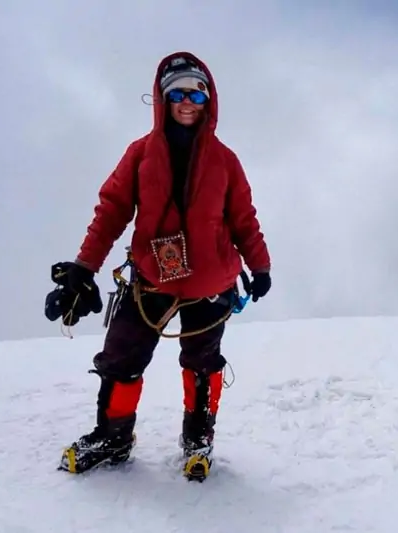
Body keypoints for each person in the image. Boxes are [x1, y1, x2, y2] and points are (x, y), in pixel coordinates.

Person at [44, 51, 272, 481]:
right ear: (163, 99)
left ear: (209, 101)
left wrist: (259, 265)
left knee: (203, 366)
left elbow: (244, 217)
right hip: (150, 279)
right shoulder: (140, 154)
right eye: (178, 93)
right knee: (121, 358)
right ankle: (113, 439)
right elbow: (112, 210)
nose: (188, 102)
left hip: (210, 285)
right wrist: (84, 265)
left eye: (197, 94)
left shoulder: (226, 161)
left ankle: (197, 442)